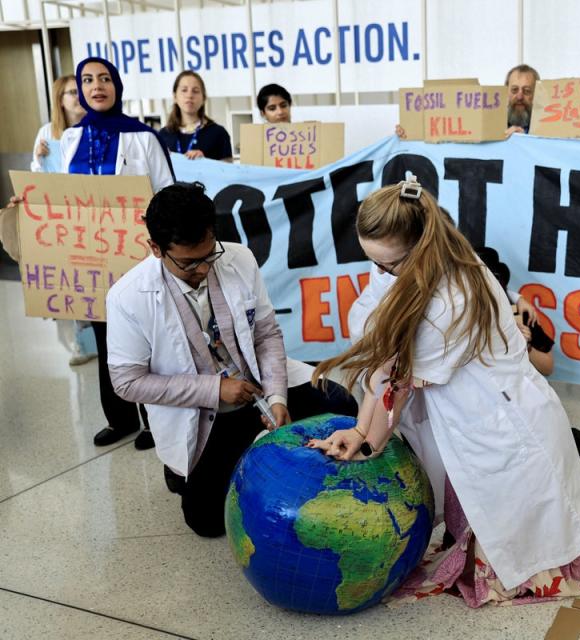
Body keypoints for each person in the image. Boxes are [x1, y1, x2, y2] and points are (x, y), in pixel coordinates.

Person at [306, 177, 580, 607]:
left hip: (503, 428)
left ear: (420, 247)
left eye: (389, 265)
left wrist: (367, 440)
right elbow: (386, 356)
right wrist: (362, 432)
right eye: (373, 263)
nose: (380, 274)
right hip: (471, 425)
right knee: (489, 534)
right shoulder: (415, 261)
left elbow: (396, 378)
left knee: (520, 573)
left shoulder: (454, 299)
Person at [106, 183, 358, 537]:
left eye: (210, 255)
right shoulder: (127, 297)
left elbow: (267, 333)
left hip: (256, 386)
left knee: (340, 403)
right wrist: (215, 389)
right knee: (207, 522)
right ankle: (184, 471)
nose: (204, 269)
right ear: (156, 249)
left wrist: (276, 397)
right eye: (189, 263)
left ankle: (263, 443)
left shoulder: (238, 258)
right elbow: (127, 382)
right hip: (203, 411)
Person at [61, 56, 175, 449]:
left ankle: (152, 422)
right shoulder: (70, 139)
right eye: (88, 80)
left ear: (117, 86)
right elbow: (62, 198)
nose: (96, 87)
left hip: (136, 258)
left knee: (145, 342)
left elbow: (166, 194)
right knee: (107, 340)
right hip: (90, 262)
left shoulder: (143, 137)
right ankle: (120, 418)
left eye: (104, 79)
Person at [476, 245, 580, 464]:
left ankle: (568, 438)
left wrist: (525, 346)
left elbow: (547, 366)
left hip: (518, 396)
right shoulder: (461, 316)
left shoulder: (521, 314)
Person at [29, 75, 97, 366]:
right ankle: (83, 343)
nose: (77, 97)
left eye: (79, 91)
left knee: (98, 277)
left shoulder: (95, 127)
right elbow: (36, 178)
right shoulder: (47, 132)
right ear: (60, 99)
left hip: (93, 216)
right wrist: (38, 159)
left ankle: (104, 340)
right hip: (63, 220)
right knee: (75, 283)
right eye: (71, 92)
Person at [395, 63, 540, 139]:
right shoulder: (487, 125)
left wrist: (527, 141)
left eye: (527, 91)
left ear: (536, 94)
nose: (520, 96)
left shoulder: (547, 132)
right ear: (505, 92)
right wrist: (409, 134)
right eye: (514, 90)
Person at [158, 71, 233, 161]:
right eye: (184, 90)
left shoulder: (219, 133)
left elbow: (228, 171)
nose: (189, 95)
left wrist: (205, 163)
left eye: (195, 91)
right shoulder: (163, 135)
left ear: (203, 98)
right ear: (175, 97)